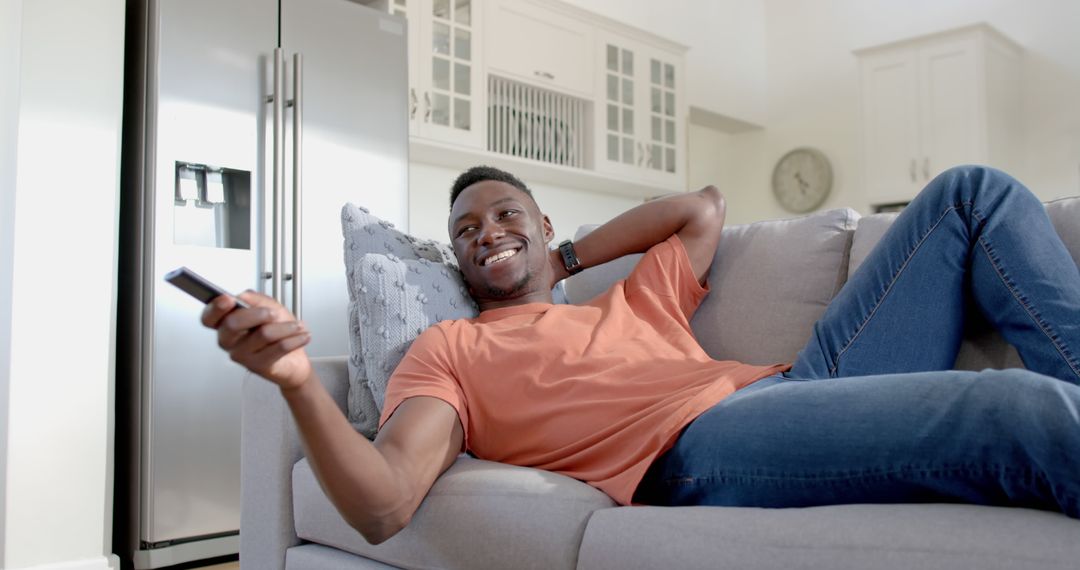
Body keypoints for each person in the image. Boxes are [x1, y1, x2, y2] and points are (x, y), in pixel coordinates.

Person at [202, 164, 1080, 544]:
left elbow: (701, 206)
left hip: (796, 392)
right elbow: (385, 504)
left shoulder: (633, 295)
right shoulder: (451, 348)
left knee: (971, 194)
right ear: (457, 264)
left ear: (545, 228)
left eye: (508, 215)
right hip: (696, 450)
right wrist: (293, 382)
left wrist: (567, 261)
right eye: (465, 232)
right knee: (1012, 410)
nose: (486, 234)